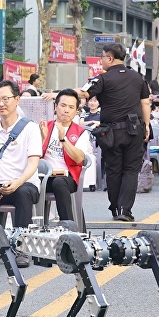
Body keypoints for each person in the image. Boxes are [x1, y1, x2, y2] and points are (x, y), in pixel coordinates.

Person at [0, 80, 42, 268]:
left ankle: (21, 248)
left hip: (24, 184)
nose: (0, 104)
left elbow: (33, 163)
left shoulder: (30, 128)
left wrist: (18, 182)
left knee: (22, 193)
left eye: (6, 99)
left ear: (17, 100)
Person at [76, 43, 150, 221]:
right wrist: (146, 125)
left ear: (109, 58)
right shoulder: (138, 77)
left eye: (102, 57)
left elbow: (83, 94)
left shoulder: (103, 79)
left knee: (114, 170)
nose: (101, 60)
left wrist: (57, 96)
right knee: (131, 170)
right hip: (134, 130)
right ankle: (126, 210)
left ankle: (115, 209)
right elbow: (145, 103)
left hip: (111, 132)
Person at [39, 89, 91, 222]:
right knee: (26, 187)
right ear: (56, 106)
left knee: (59, 183)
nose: (66, 110)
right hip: (42, 177)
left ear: (76, 111)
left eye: (71, 107)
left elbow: (79, 158)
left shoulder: (80, 132)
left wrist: (63, 139)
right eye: (63, 105)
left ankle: (68, 226)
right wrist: (43, 139)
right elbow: (33, 156)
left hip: (67, 178)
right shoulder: (44, 127)